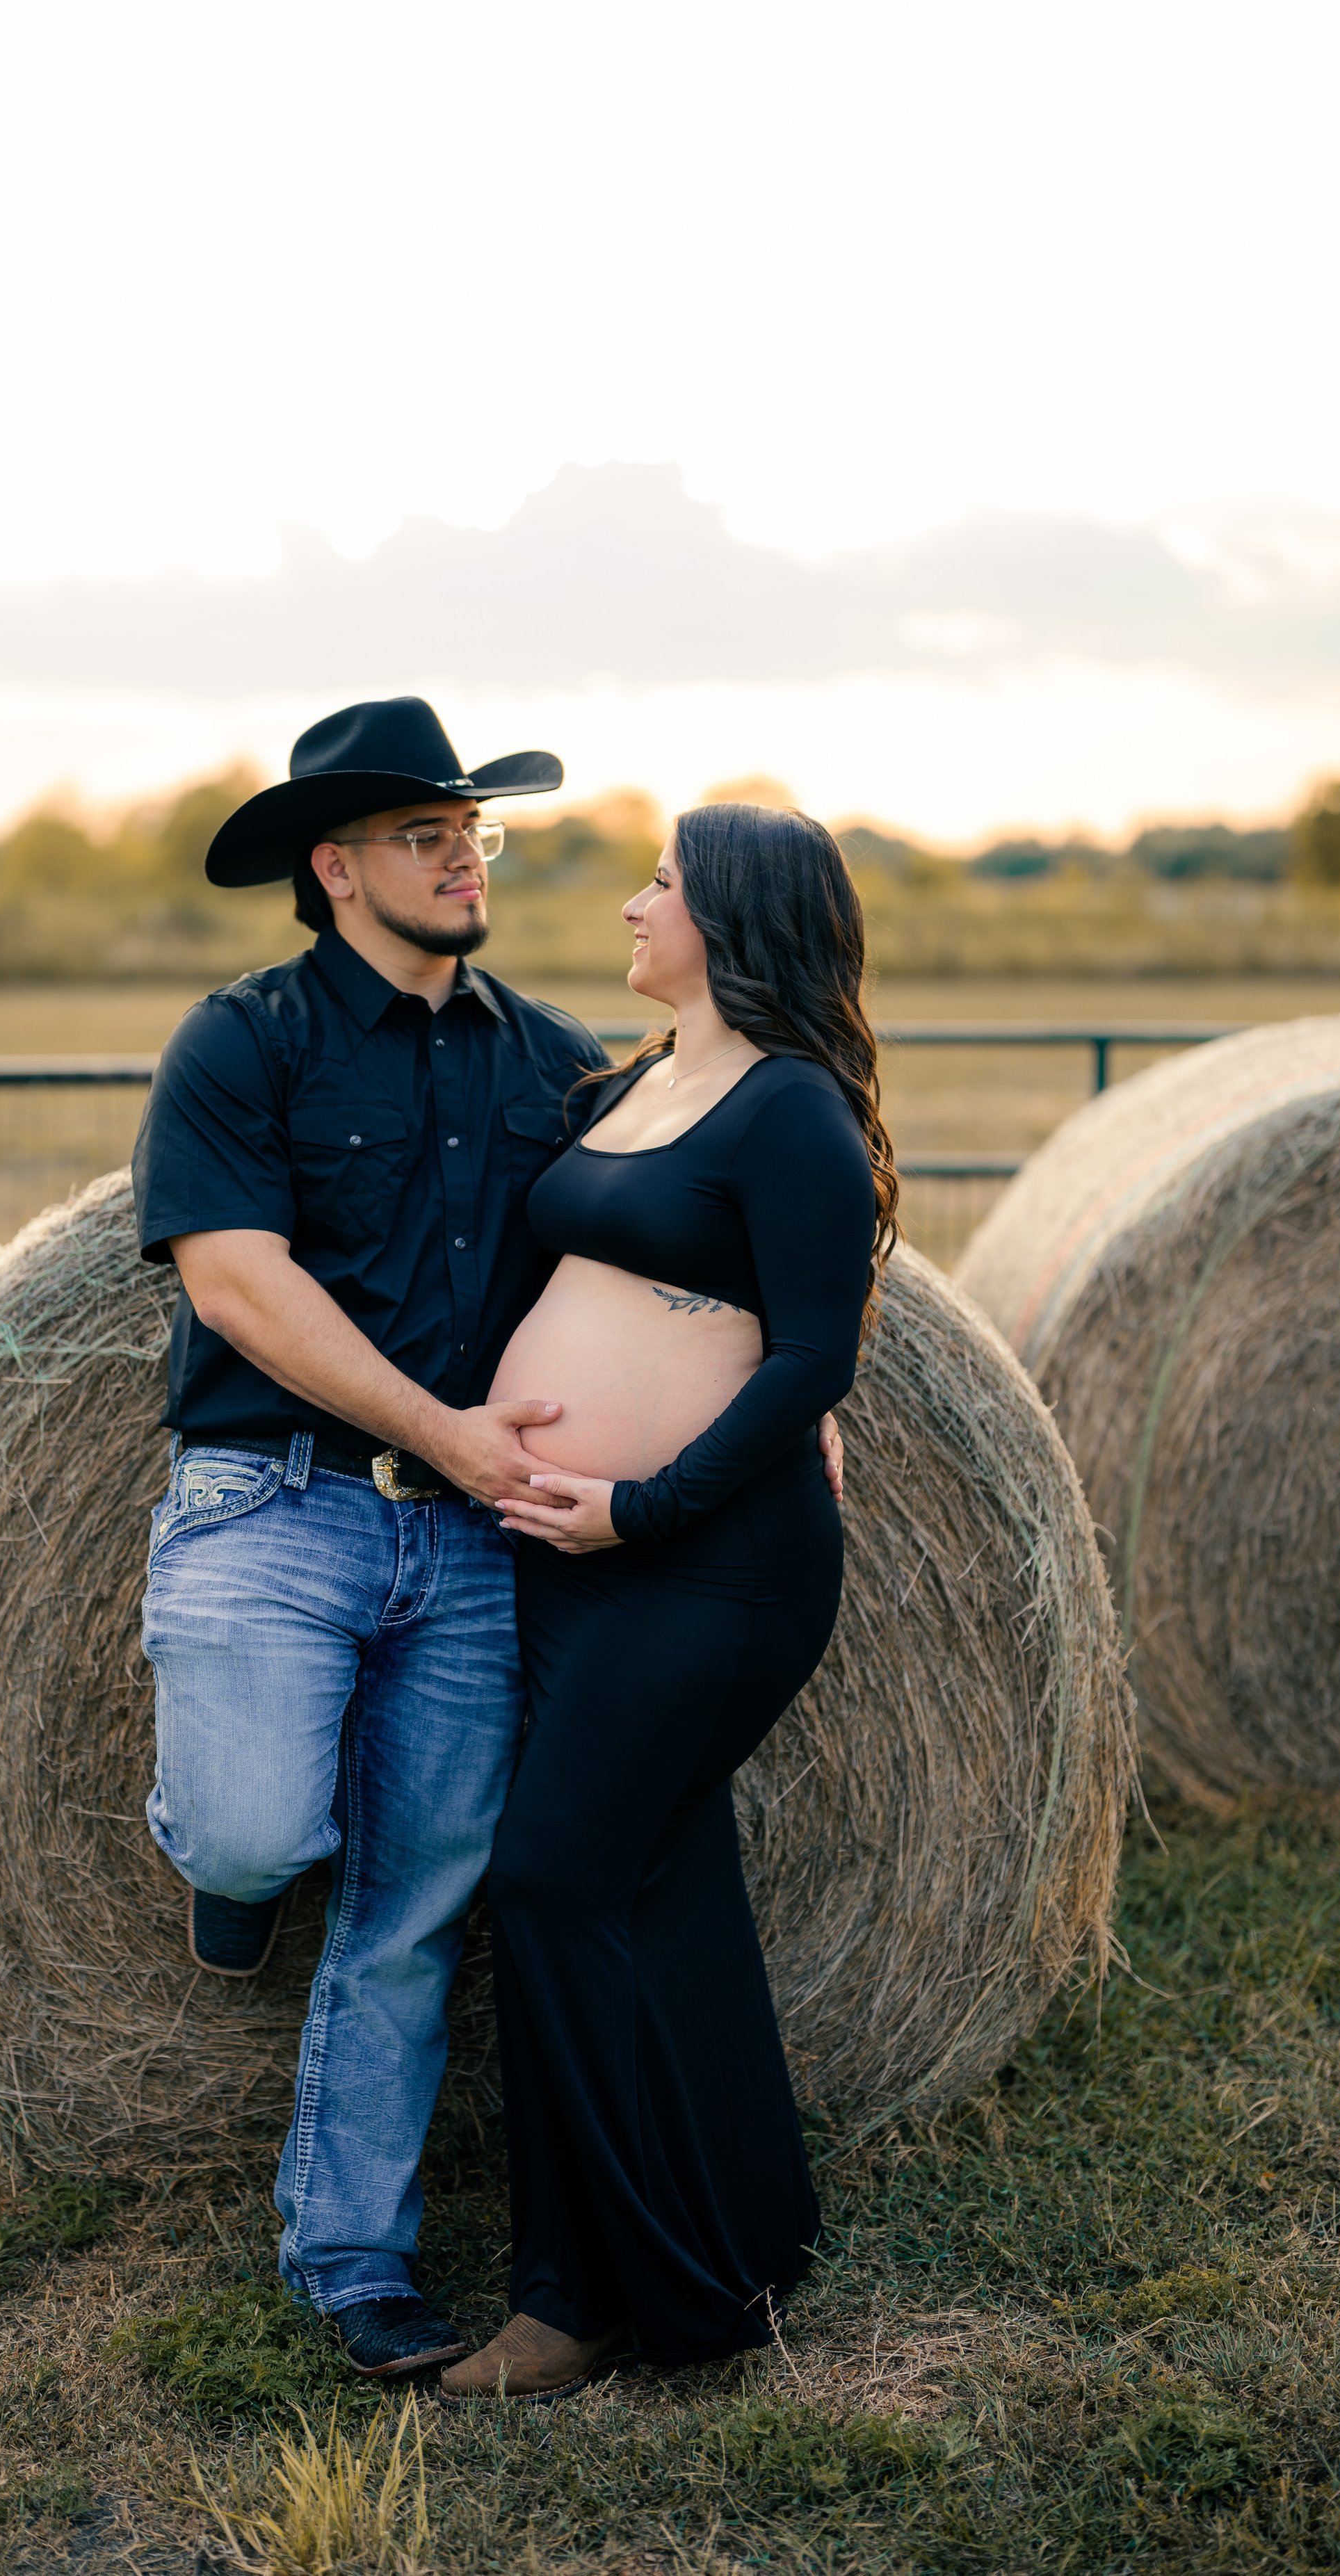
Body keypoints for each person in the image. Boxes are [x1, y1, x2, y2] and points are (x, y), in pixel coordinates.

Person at [131, 702, 845, 2381]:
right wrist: (443, 1430)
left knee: (420, 1910)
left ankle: (358, 2258)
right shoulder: (243, 1044)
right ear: (334, 868)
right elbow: (234, 1281)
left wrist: (784, 1382)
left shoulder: (550, 1063)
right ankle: (219, 1870)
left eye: (475, 828)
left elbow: (708, 1228)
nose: (465, 853)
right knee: (254, 1833)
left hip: (477, 1550)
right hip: (279, 1502)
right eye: (421, 833)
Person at [437, 800, 898, 2402]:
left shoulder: (788, 1116)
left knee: (554, 1880)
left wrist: (639, 1504)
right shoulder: (634, 1086)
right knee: (656, 1886)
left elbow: (811, 1360)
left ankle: (606, 2294)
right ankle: (745, 2234)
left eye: (659, 883)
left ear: (731, 923)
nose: (630, 904)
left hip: (707, 1570)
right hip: (575, 1573)